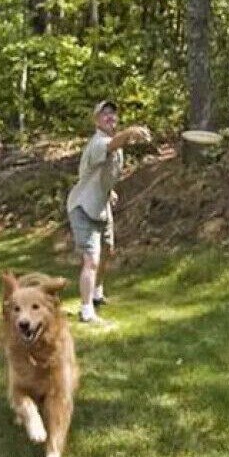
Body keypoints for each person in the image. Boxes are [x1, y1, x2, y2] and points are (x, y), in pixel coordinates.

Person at [66, 100, 151, 324]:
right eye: (104, 114)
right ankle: (86, 311)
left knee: (107, 251)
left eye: (113, 113)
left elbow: (102, 172)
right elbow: (112, 144)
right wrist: (130, 132)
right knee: (91, 260)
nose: (110, 117)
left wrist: (109, 191)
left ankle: (96, 294)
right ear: (96, 120)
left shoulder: (114, 145)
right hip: (82, 207)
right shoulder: (98, 142)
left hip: (101, 207)